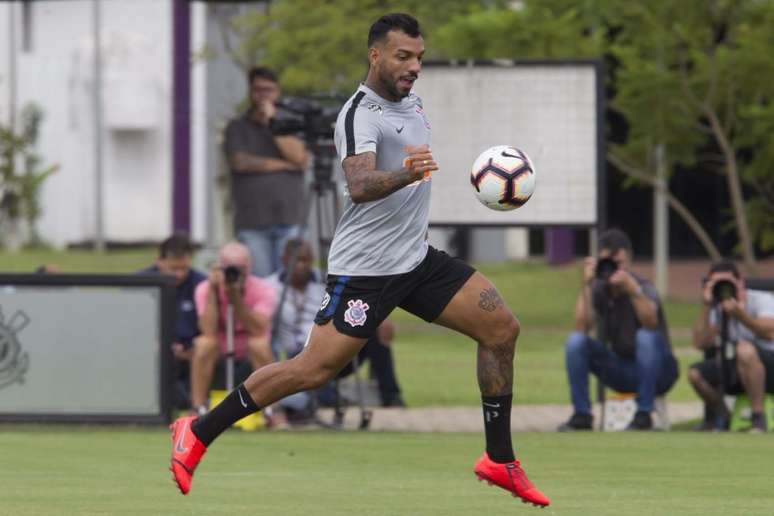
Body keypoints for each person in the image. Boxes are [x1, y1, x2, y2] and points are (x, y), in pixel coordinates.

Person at [170, 13, 549, 507]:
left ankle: (499, 459)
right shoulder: (358, 114)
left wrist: (414, 177)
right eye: (403, 56)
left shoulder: (411, 102)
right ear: (375, 55)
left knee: (501, 329)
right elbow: (360, 185)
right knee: (311, 370)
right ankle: (197, 430)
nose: (414, 66)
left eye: (419, 57)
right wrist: (406, 174)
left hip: (415, 260)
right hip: (366, 269)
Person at [558, 229, 678, 432]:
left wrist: (633, 292)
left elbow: (650, 323)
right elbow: (581, 326)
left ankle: (643, 415)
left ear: (629, 260)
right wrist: (586, 284)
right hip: (622, 368)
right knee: (575, 342)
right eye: (609, 263)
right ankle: (582, 415)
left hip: (659, 370)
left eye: (619, 263)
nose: (614, 270)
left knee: (645, 336)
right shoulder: (599, 289)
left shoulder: (643, 287)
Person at [267, 238, 404, 415]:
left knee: (377, 330)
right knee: (315, 387)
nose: (301, 265)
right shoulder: (270, 287)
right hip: (296, 356)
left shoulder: (328, 281)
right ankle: (324, 397)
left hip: (331, 347)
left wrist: (380, 318)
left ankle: (392, 397)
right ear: (284, 259)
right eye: (296, 260)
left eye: (306, 260)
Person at [222, 66, 310, 277]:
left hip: (290, 218)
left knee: (289, 283)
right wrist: (283, 165)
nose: (263, 95)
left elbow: (299, 158)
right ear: (250, 92)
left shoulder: (291, 124)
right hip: (253, 222)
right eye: (258, 90)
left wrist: (274, 123)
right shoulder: (237, 126)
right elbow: (240, 162)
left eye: (268, 90)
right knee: (261, 285)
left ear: (277, 92)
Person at [189, 241, 276, 415]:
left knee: (259, 344)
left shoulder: (264, 289)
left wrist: (235, 298)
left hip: (248, 347)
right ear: (219, 267)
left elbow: (258, 329)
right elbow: (207, 329)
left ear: (249, 267)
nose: (236, 273)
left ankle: (272, 410)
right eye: (230, 268)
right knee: (203, 344)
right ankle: (197, 408)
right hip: (219, 347)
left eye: (241, 268)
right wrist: (214, 292)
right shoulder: (205, 288)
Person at [688, 260, 774, 432]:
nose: (723, 288)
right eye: (717, 284)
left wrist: (741, 315)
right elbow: (700, 343)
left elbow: (770, 331)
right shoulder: (716, 306)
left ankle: (758, 418)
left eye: (727, 282)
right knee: (695, 374)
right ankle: (725, 418)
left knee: (744, 350)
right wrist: (706, 306)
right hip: (731, 367)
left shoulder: (761, 299)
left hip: (768, 367)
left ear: (740, 282)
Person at [139, 232, 206, 410]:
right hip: (150, 356)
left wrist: (191, 349)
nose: (179, 274)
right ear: (159, 261)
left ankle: (196, 406)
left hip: (189, 358)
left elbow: (208, 328)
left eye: (184, 268)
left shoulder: (201, 284)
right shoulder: (139, 284)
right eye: (173, 268)